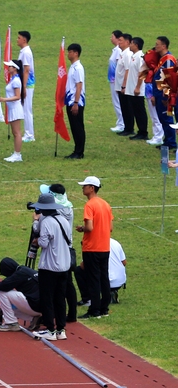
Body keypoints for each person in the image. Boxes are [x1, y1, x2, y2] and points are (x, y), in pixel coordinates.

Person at [30, 192, 72, 341]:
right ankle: (61, 329)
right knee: (60, 298)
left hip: (49, 266)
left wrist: (36, 228)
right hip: (64, 266)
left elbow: (43, 243)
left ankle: (50, 329)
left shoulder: (47, 222)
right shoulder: (64, 220)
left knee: (47, 298)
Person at [79, 176, 113, 319]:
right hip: (104, 247)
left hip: (92, 247)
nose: (82, 188)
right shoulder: (105, 204)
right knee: (104, 278)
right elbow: (110, 228)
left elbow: (90, 227)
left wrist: (82, 228)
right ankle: (104, 308)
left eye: (85, 186)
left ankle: (94, 310)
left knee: (93, 279)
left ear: (92, 188)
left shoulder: (90, 205)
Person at [0, 257, 41, 331]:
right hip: (46, 308)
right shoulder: (25, 270)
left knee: (1, 292)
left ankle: (11, 323)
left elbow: (1, 286)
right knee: (4, 306)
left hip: (36, 306)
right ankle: (35, 318)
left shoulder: (19, 274)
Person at [0, 59, 25, 163]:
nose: (8, 68)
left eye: (10, 66)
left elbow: (18, 96)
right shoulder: (13, 79)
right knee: (14, 132)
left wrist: (4, 99)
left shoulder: (16, 81)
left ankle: (17, 154)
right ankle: (16, 153)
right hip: (12, 108)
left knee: (17, 133)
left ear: (15, 68)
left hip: (15, 108)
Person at [65, 43, 86, 159]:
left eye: (70, 52)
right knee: (74, 126)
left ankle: (79, 152)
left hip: (76, 102)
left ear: (76, 53)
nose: (68, 54)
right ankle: (77, 150)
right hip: (71, 101)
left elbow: (79, 86)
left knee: (78, 127)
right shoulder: (73, 67)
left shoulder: (78, 68)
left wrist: (76, 103)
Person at [17, 31, 36, 142]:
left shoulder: (26, 52)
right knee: (25, 108)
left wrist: (23, 86)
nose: (17, 40)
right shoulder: (23, 51)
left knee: (27, 109)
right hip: (26, 84)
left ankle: (29, 135)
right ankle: (28, 133)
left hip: (27, 84)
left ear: (24, 40)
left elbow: (27, 69)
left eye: (19, 38)